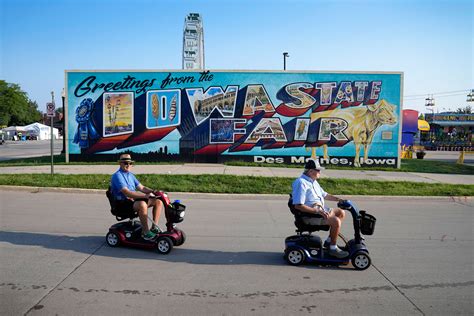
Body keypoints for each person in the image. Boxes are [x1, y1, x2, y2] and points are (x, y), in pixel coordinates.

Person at [291, 158, 349, 258]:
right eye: (318, 170)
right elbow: (298, 206)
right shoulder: (301, 183)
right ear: (310, 171)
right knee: (336, 221)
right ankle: (333, 249)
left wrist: (339, 199)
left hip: (319, 212)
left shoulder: (313, 181)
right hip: (309, 216)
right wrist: (317, 211)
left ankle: (329, 241)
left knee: (341, 212)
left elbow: (324, 195)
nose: (320, 172)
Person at [110, 154, 163, 240]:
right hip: (122, 204)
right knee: (142, 204)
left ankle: (154, 228)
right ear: (120, 164)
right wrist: (146, 196)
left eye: (130, 163)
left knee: (158, 201)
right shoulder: (117, 176)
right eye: (125, 163)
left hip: (131, 202)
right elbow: (127, 193)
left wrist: (154, 191)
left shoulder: (130, 175)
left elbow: (142, 188)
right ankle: (146, 232)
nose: (128, 165)